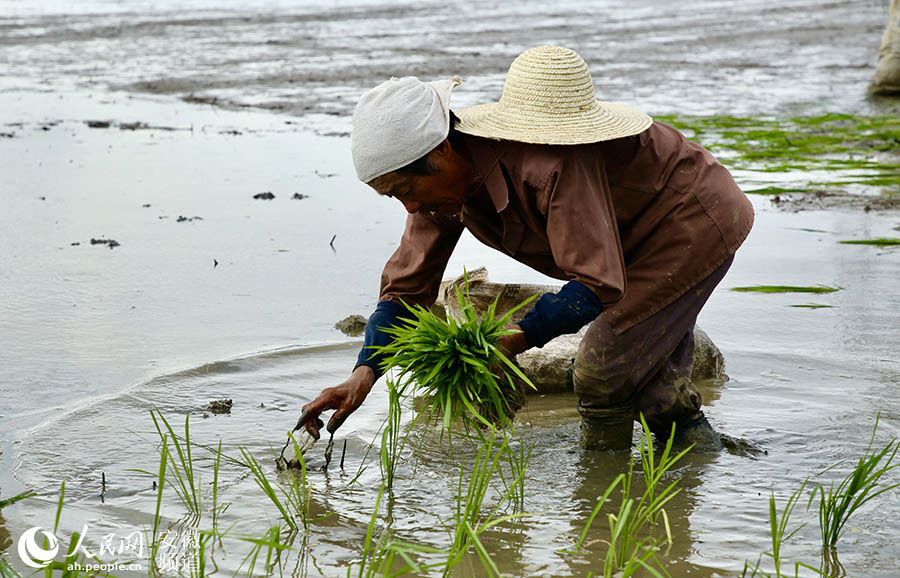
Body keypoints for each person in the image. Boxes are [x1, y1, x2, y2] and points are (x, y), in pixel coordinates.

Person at [301, 45, 754, 451]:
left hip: (690, 220)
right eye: (393, 196)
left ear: (442, 152)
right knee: (646, 378)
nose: (410, 205)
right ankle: (690, 469)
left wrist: (508, 342)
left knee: (601, 372)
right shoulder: (437, 193)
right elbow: (404, 293)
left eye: (405, 188)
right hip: (622, 237)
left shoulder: (549, 166)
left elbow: (595, 286)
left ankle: (603, 502)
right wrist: (363, 375)